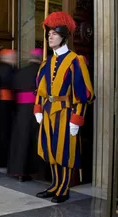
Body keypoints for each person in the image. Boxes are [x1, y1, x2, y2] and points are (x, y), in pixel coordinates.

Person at [33, 12, 95, 203]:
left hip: (66, 112)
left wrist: (77, 119)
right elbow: (39, 90)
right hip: (48, 111)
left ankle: (64, 187)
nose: (49, 36)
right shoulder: (46, 62)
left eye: (54, 33)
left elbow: (83, 93)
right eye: (48, 33)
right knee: (50, 150)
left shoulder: (75, 60)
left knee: (64, 151)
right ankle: (54, 184)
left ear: (64, 35)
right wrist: (37, 109)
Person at [7, 48, 43, 182]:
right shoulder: (42, 71)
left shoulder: (20, 72)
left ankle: (19, 171)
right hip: (37, 110)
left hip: (20, 111)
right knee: (34, 141)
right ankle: (37, 172)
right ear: (40, 58)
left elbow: (13, 92)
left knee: (20, 141)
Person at [0, 49, 16, 168]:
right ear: (7, 58)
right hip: (7, 105)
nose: (14, 59)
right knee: (5, 134)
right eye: (13, 57)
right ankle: (4, 160)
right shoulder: (11, 69)